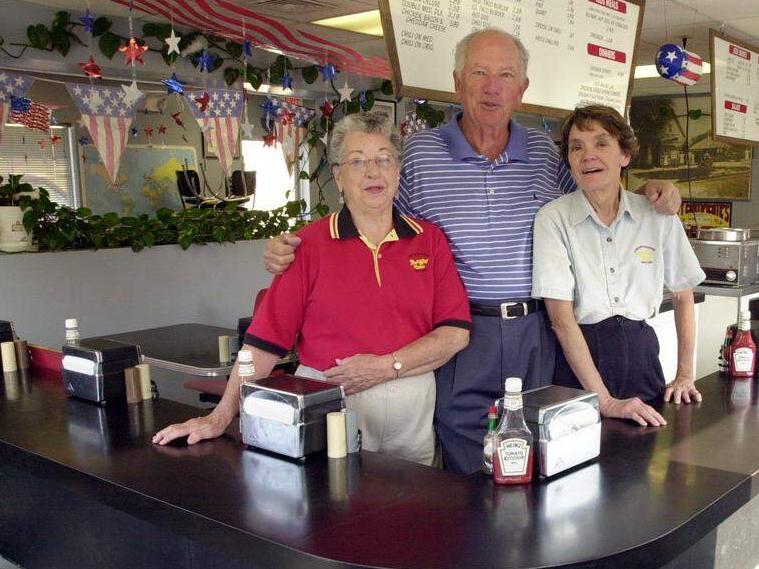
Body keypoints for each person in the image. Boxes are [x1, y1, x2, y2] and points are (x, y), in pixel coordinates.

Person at [263, 28, 681, 474]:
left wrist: (650, 193)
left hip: (538, 329)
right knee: (463, 458)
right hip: (462, 336)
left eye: (505, 75)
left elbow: (595, 199)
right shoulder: (420, 154)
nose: (492, 86)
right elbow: (369, 215)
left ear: (522, 88)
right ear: (458, 82)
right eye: (479, 73)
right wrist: (294, 248)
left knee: (539, 446)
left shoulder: (545, 153)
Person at [153, 111, 471, 465]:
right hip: (331, 401)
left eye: (384, 159)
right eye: (357, 161)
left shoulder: (429, 241)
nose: (372, 171)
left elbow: (455, 335)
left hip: (413, 404)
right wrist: (220, 416)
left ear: (397, 172)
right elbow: (262, 343)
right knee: (336, 508)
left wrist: (384, 367)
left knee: (413, 509)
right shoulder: (306, 245)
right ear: (338, 177)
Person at [532, 105, 705, 427]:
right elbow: (560, 319)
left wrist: (685, 374)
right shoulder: (553, 219)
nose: (588, 155)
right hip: (579, 360)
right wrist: (604, 400)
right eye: (576, 147)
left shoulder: (657, 215)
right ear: (568, 159)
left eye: (601, 143)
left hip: (642, 355)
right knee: (577, 469)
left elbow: (683, 295)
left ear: (625, 154)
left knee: (641, 461)